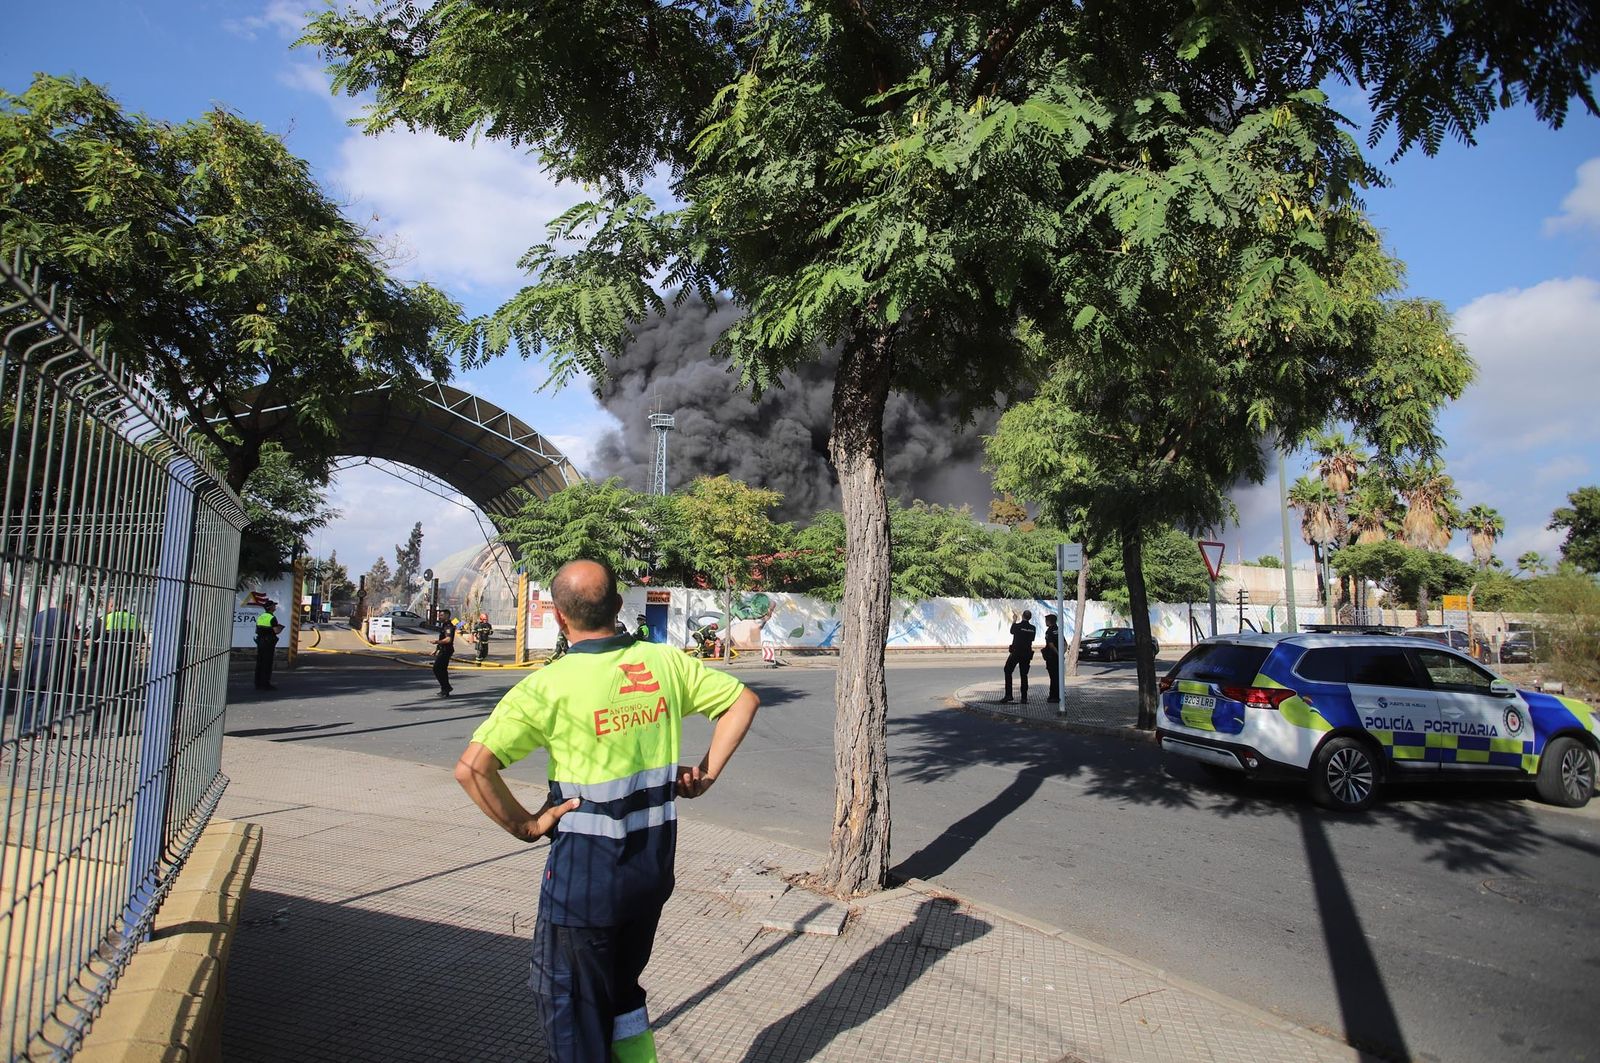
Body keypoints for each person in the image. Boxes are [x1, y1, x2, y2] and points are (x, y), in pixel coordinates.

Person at [454, 559, 760, 1063]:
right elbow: (742, 701)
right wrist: (703, 775)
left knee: (574, 1009)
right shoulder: (664, 663)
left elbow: (472, 770)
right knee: (623, 995)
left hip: (584, 884)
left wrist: (528, 826)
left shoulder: (546, 687)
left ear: (558, 617)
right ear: (618, 606)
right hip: (652, 873)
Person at [1001, 609, 1035, 704]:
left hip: (1016, 653)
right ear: (1030, 618)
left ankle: (1009, 695)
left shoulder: (1017, 626)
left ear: (1023, 616)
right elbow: (1032, 639)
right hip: (1027, 653)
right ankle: (1024, 698)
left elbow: (1012, 631)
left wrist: (1014, 620)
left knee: (1007, 670)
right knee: (1024, 675)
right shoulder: (1033, 628)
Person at [254, 600, 283, 691]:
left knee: (260, 662)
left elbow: (257, 630)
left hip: (260, 641)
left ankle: (258, 683)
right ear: (270, 608)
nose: (275, 607)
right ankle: (265, 684)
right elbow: (276, 631)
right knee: (267, 663)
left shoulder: (261, 617)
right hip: (268, 642)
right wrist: (280, 628)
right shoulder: (272, 618)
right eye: (274, 606)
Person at [431, 609, 455, 697]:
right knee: (442, 670)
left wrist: (436, 642)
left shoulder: (449, 626)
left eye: (441, 615)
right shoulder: (444, 625)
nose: (439, 617)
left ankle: (446, 687)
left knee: (436, 668)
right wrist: (436, 649)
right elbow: (442, 637)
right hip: (443, 649)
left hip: (446, 650)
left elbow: (448, 639)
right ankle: (445, 689)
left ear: (446, 616)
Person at [1040, 614, 1060, 705]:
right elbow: (1065, 643)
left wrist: (1057, 654)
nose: (1045, 622)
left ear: (1049, 621)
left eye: (1046, 620)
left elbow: (1051, 645)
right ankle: (1057, 694)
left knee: (1053, 677)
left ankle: (1053, 696)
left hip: (1052, 657)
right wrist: (1061, 654)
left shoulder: (1049, 631)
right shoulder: (1058, 629)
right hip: (1057, 657)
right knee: (1057, 676)